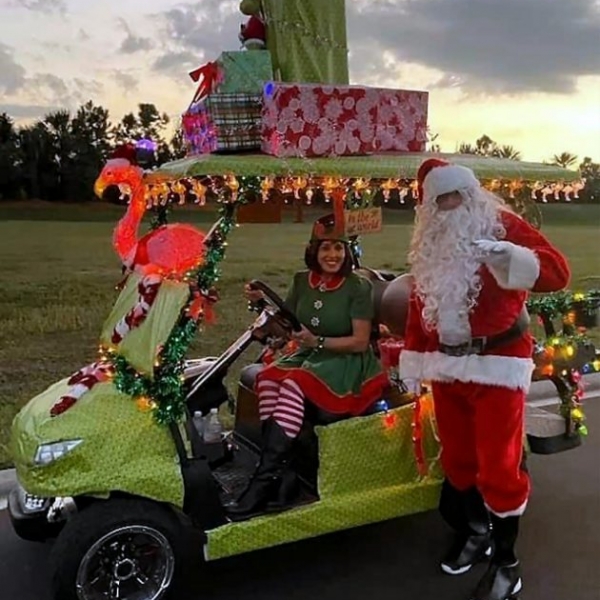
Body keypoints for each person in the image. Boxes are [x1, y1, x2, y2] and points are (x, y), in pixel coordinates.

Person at [399, 158, 570, 600]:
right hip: (447, 368)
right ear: (429, 207)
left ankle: (507, 565)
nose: (451, 206)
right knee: (458, 460)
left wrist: (512, 258)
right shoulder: (430, 242)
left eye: (457, 196)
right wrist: (414, 361)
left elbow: (557, 272)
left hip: (498, 365)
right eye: (441, 200)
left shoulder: (503, 226)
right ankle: (478, 531)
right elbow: (422, 307)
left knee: (499, 466)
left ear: (472, 194)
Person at [227, 213, 388, 519]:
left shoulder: (357, 287)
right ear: (314, 250)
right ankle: (283, 479)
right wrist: (261, 305)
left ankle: (263, 484)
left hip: (346, 361)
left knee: (292, 383)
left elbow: (359, 341)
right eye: (326, 248)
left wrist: (318, 343)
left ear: (347, 252)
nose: (332, 255)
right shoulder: (303, 281)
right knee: (267, 379)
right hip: (311, 355)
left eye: (339, 248)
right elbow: (290, 327)